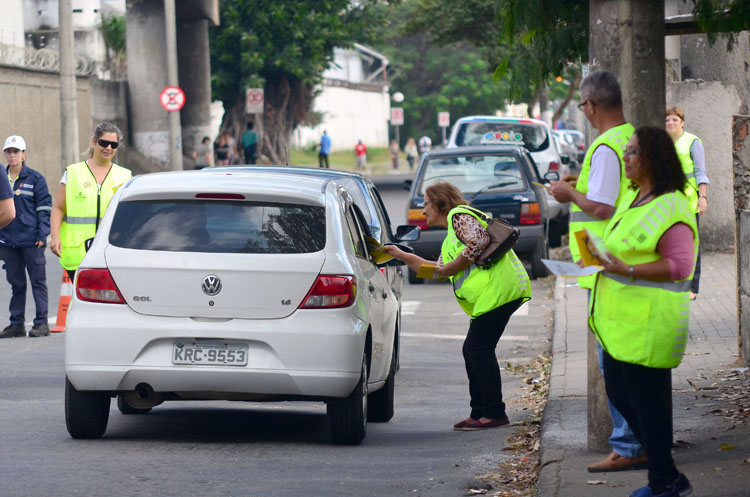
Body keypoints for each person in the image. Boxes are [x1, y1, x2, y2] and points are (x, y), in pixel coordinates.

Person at [589, 126, 696, 497]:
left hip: (650, 325)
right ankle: (667, 475)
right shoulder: (633, 199)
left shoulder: (673, 205)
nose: (625, 156)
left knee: (648, 407)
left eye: (632, 151)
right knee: (621, 394)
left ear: (651, 157)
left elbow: (681, 266)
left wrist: (627, 269)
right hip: (620, 326)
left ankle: (663, 481)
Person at [549, 70, 645, 473]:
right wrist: (580, 186)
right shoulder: (630, 137)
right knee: (626, 358)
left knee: (614, 361)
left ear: (590, 105)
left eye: (582, 106)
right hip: (618, 260)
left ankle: (628, 445)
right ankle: (637, 441)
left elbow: (602, 207)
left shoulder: (606, 147)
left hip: (606, 265)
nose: (583, 112)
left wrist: (568, 193)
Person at [383, 181, 531, 431]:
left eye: (427, 204)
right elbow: (437, 272)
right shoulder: (451, 237)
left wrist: (452, 267)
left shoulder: (458, 215)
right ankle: (479, 412)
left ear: (441, 203)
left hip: (500, 292)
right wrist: (400, 255)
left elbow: (479, 240)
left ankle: (494, 413)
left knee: (478, 349)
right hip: (491, 296)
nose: (423, 211)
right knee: (472, 350)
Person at [50, 123, 132, 282]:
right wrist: (54, 237)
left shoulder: (125, 176)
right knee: (84, 298)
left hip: (110, 250)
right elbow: (58, 208)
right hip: (78, 251)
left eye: (113, 145)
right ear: (94, 142)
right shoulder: (73, 172)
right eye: (103, 143)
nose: (108, 148)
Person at [0, 136, 50, 339]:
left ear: (24, 154)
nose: (12, 155)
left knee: (38, 282)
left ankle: (41, 323)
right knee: (17, 283)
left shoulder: (35, 179)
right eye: (9, 151)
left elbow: (44, 209)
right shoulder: (2, 177)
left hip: (31, 239)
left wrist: (42, 234)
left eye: (16, 151)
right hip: (8, 240)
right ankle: (17, 324)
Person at [665, 106, 709, 301]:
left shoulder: (693, 142)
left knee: (691, 246)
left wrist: (703, 196)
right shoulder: (662, 143)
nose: (671, 123)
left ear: (682, 122)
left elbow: (700, 172)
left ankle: (692, 288)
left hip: (688, 202)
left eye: (674, 119)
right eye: (667, 120)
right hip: (667, 204)